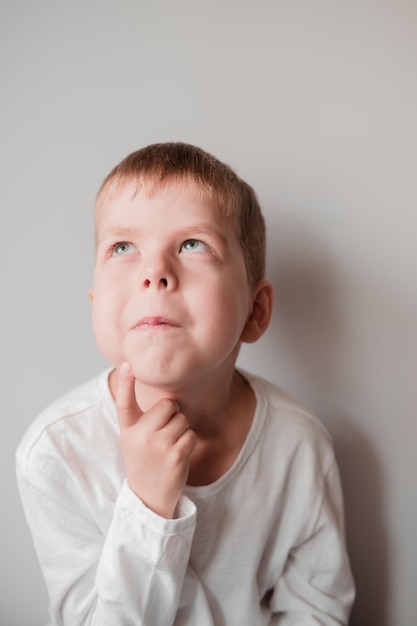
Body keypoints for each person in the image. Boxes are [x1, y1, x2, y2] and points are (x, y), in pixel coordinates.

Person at [16, 142, 355, 625]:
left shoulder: (300, 445)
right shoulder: (56, 452)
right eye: (122, 247)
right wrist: (148, 506)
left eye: (193, 244)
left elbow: (317, 611)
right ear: (95, 304)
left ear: (254, 312)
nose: (154, 272)